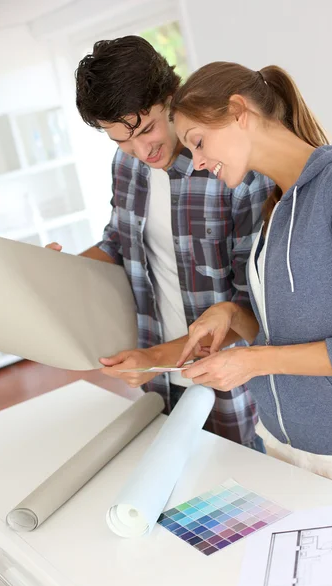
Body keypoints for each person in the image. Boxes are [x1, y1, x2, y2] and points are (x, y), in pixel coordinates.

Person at [170, 61, 332, 493]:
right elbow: (285, 334)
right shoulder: (274, 207)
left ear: (239, 111)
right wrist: (233, 317)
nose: (196, 163)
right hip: (278, 444)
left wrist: (253, 362)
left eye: (197, 142)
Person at [50, 38, 272, 450]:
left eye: (148, 129)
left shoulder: (233, 171)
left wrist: (154, 358)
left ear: (172, 97)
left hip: (233, 387)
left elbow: (250, 309)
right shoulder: (127, 165)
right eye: (120, 140)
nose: (140, 151)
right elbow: (118, 245)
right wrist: (56, 275)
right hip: (159, 384)